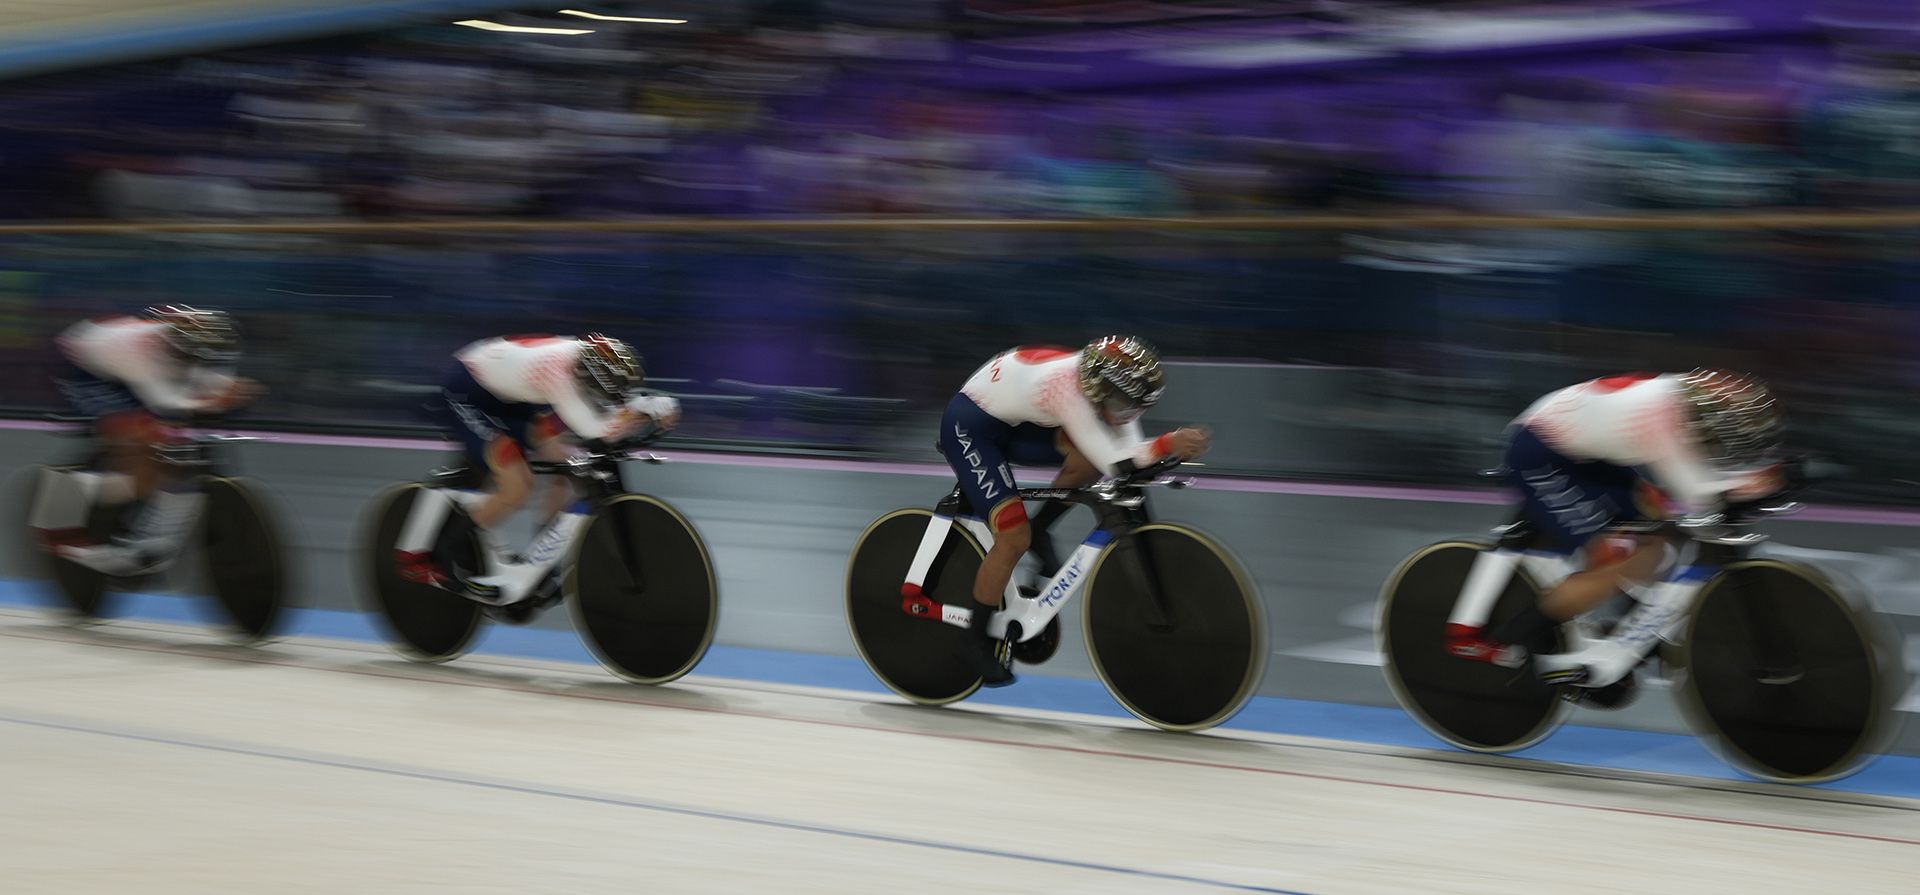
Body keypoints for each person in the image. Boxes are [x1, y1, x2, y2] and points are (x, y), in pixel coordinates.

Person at [1449, 369, 1788, 683]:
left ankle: (1624, 624)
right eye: (1719, 441)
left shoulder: (1691, 397)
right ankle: (1516, 639)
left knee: (1658, 525)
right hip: (1540, 454)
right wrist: (1761, 482)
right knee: (1618, 556)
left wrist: (1749, 481)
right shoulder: (1660, 416)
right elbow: (1697, 493)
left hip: (1590, 452)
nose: (1719, 449)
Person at [938, 336, 1211, 686]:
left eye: (1137, 408)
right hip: (971, 426)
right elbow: (1116, 463)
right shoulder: (1065, 388)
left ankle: (1042, 528)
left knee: (1086, 461)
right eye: (1123, 406)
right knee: (1013, 537)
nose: (1128, 416)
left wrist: (1157, 447)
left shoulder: (1105, 383)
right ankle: (972, 641)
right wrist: (1168, 443)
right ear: (1100, 390)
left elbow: (1124, 447)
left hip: (1016, 419)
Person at [397, 333, 679, 603]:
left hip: (509, 392)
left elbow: (614, 400)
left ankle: (539, 562)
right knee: (518, 485)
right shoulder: (560, 375)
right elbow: (598, 430)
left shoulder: (586, 360)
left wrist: (643, 403)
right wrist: (646, 407)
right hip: (468, 391)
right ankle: (448, 546)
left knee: (564, 467)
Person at [45, 306, 260, 574]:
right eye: (191, 358)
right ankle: (71, 491)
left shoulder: (208, 346)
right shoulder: (140, 354)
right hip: (90, 366)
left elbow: (212, 384)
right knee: (142, 441)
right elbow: (167, 404)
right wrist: (216, 401)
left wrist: (224, 397)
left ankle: (153, 505)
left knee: (176, 442)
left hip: (138, 363)